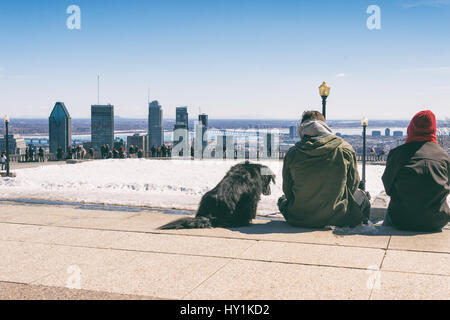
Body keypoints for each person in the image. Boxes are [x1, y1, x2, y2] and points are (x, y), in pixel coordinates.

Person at [278, 111, 371, 228]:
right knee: (363, 197)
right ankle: (361, 228)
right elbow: (353, 185)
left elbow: (288, 190)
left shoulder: (292, 154)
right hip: (338, 217)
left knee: (282, 200)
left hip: (299, 217)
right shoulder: (344, 149)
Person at [382, 110, 449, 232]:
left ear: (411, 129)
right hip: (437, 220)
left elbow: (388, 188)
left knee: (389, 215)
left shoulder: (398, 154)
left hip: (401, 219)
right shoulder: (444, 157)